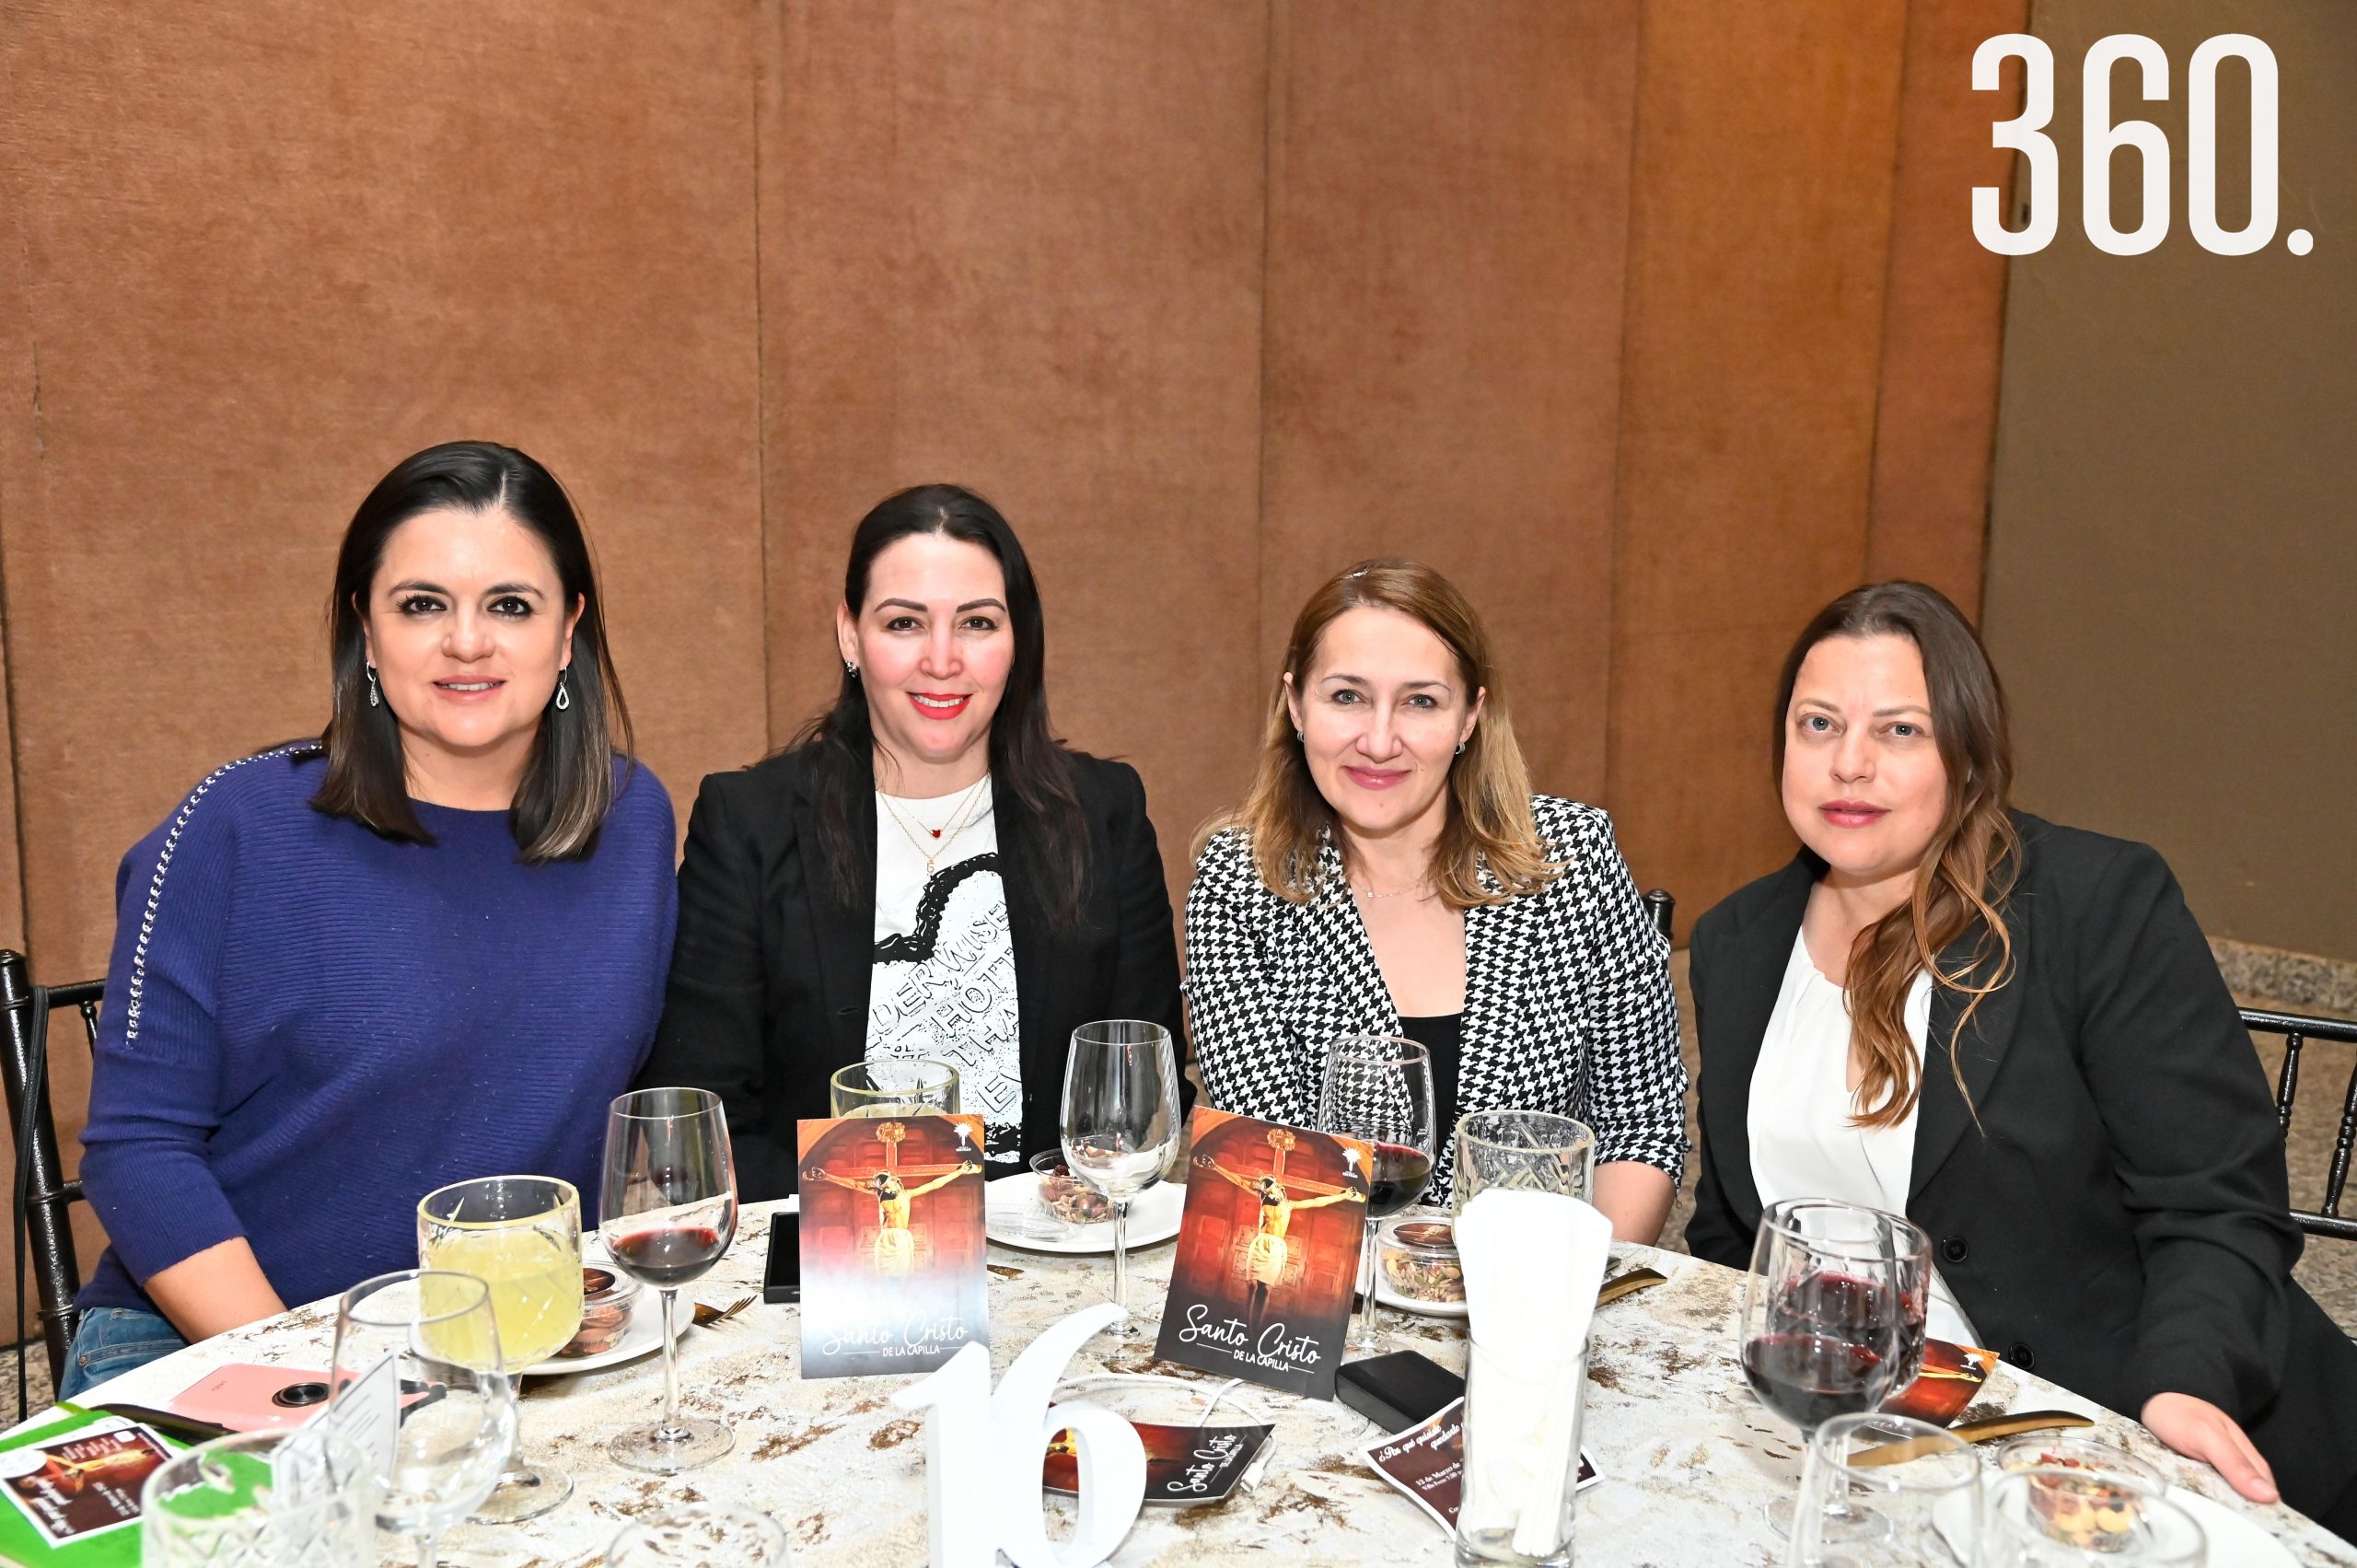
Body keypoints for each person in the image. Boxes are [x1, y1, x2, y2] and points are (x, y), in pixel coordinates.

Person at [1684, 580, 2357, 1539]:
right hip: (1895, 1448)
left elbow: (2215, 1208)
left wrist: (2181, 1385)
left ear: (1965, 754)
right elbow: (1733, 1232)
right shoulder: (1738, 941)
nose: (1850, 762)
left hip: (2136, 1438)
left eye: (1900, 730)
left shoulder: (2092, 904)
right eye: (1818, 722)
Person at [65, 441, 678, 1398]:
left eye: (510, 605)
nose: (465, 642)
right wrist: (318, 1386)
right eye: (422, 604)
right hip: (220, 1343)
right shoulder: (236, 823)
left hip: (513, 1348)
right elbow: (137, 1151)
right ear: (366, 626)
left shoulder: (633, 821)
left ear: (569, 634)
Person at [641, 483, 1183, 1199]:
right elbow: (700, 1126)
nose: (942, 658)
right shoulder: (750, 823)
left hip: (1057, 1253)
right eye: (903, 623)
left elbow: (1140, 1095)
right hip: (836, 1271)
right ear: (849, 635)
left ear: (1018, 640)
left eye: (977, 623)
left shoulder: (1104, 814)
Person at [1184, 560, 1687, 1239]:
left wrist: (1560, 1300)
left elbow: (1640, 1126)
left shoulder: (1573, 859)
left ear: (1470, 716)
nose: (1380, 740)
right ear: (1297, 706)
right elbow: (1277, 1161)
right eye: (1347, 696)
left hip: (1538, 1303)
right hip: (1337, 1308)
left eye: (1421, 701)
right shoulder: (1241, 884)